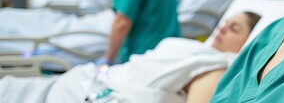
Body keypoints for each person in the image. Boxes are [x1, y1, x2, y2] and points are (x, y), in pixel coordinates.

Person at [0, 12, 261, 103]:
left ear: (246, 45)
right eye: (226, 22)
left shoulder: (214, 66)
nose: (223, 28)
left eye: (235, 29)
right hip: (86, 81)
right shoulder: (189, 46)